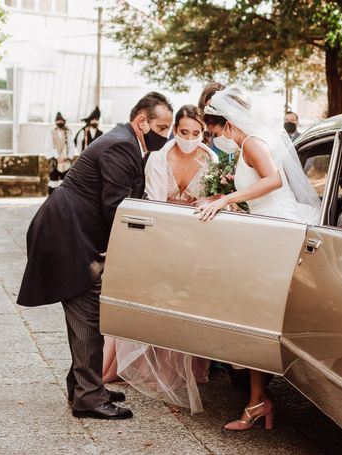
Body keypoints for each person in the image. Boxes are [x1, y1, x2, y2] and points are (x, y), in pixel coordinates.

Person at [17, 92, 173, 420]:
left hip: (70, 230)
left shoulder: (125, 141)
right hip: (66, 234)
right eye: (162, 126)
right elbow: (116, 207)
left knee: (89, 311)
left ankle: (84, 384)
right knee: (88, 309)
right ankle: (89, 395)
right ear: (142, 122)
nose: (167, 134)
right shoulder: (121, 145)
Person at [196, 86, 320, 431]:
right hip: (267, 225)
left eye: (216, 131)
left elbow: (273, 179)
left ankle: (257, 401)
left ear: (229, 123)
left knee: (258, 318)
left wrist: (225, 200)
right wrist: (231, 199)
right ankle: (256, 401)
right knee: (257, 318)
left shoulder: (251, 141)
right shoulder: (257, 139)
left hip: (275, 232)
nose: (217, 138)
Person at [109, 105, 216, 414]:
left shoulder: (210, 159)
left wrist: (206, 203)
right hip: (163, 235)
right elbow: (154, 200)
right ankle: (146, 366)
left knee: (186, 302)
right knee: (158, 298)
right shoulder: (158, 158)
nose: (189, 139)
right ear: (174, 131)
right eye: (183, 133)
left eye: (196, 134)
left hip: (195, 240)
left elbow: (213, 198)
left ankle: (180, 369)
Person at [45, 112, 74, 195]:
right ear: (55, 122)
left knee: (65, 184)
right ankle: (52, 204)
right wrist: (57, 156)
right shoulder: (51, 133)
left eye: (61, 120)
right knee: (53, 183)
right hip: (55, 161)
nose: (60, 122)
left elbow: (71, 146)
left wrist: (67, 157)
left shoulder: (68, 133)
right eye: (58, 121)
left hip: (66, 161)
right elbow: (48, 147)